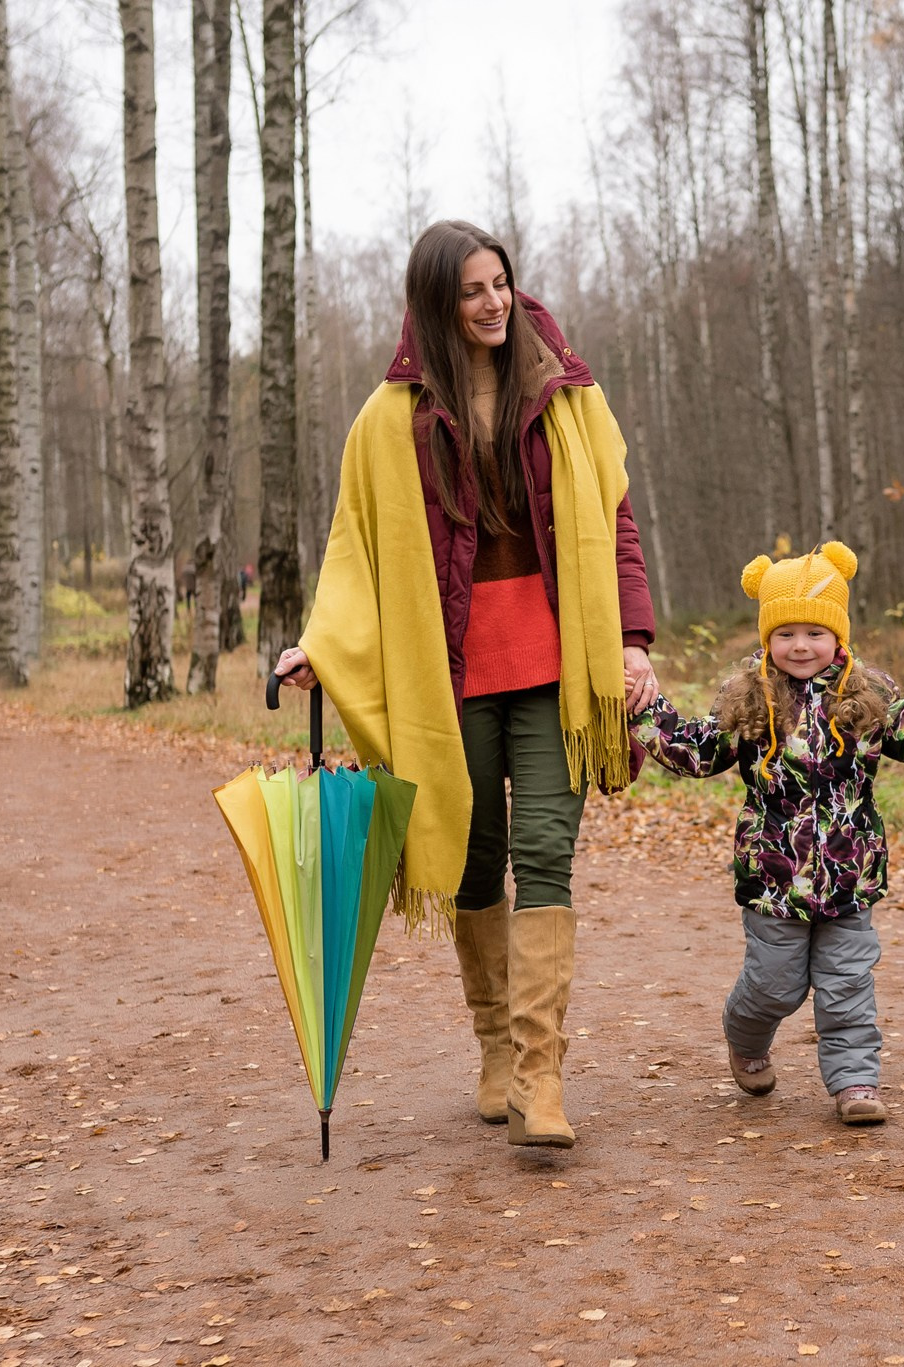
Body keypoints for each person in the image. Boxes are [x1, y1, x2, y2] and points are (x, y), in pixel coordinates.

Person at [275, 220, 657, 1149]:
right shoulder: (388, 420)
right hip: (451, 673)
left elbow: (615, 517)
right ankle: (494, 1045)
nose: (492, 304)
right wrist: (321, 646)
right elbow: (356, 551)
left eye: (500, 283)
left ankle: (541, 1071)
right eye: (471, 293)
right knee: (479, 858)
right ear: (437, 308)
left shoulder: (565, 392)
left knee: (546, 853)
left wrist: (635, 640)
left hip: (559, 666)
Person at [630, 542, 904, 1125]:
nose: (801, 646)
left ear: (838, 634)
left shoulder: (867, 693)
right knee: (775, 985)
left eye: (815, 633)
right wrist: (644, 710)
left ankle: (855, 1082)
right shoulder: (750, 696)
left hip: (849, 875)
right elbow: (697, 750)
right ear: (767, 637)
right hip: (774, 878)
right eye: (786, 633)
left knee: (847, 980)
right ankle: (746, 1039)